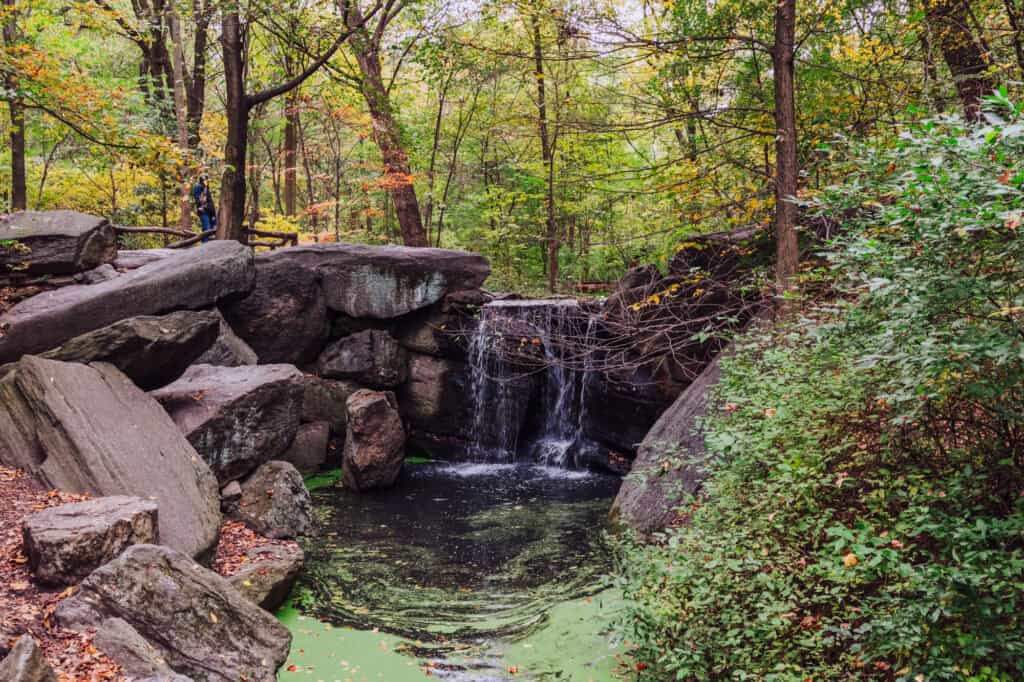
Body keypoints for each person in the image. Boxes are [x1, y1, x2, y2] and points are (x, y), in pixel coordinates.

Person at [192, 174, 217, 242]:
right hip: (204, 212)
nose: (207, 182)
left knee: (212, 229)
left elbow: (210, 202)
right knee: (207, 229)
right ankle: (205, 245)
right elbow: (199, 201)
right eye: (206, 181)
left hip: (210, 212)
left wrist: (213, 215)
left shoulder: (206, 189)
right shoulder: (198, 187)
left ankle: (209, 245)